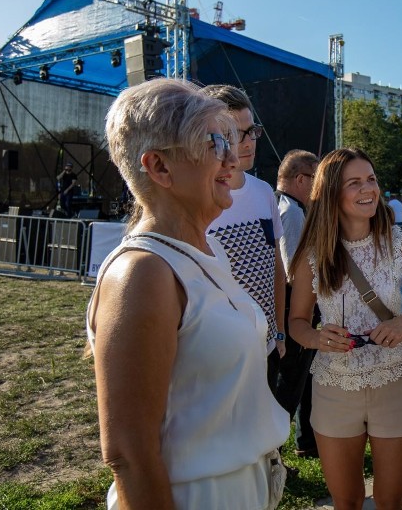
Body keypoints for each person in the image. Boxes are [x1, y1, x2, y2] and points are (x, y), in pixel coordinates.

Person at [87, 78, 289, 508]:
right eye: (215, 143)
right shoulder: (143, 273)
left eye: (232, 142)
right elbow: (129, 454)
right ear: (159, 167)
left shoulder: (206, 248)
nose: (232, 159)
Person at [288, 148, 402, 510]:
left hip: (396, 383)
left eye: (371, 179)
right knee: (347, 503)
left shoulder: (401, 242)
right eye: (354, 182)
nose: (367, 188)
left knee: (391, 503)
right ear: (331, 193)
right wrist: (316, 337)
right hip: (334, 388)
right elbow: (296, 323)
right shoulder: (313, 253)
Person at [203, 84, 287, 393]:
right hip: (220, 354)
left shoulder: (264, 192)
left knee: (267, 439)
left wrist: (278, 332)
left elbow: (276, 267)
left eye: (251, 131)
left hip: (266, 347)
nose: (248, 142)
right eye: (236, 133)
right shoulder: (200, 199)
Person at [274, 148, 321, 459]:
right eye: (315, 180)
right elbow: (293, 270)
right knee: (290, 383)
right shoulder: (291, 211)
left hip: (295, 305)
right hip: (295, 306)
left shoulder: (286, 206)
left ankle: (307, 442)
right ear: (301, 180)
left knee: (304, 377)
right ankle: (272, 454)